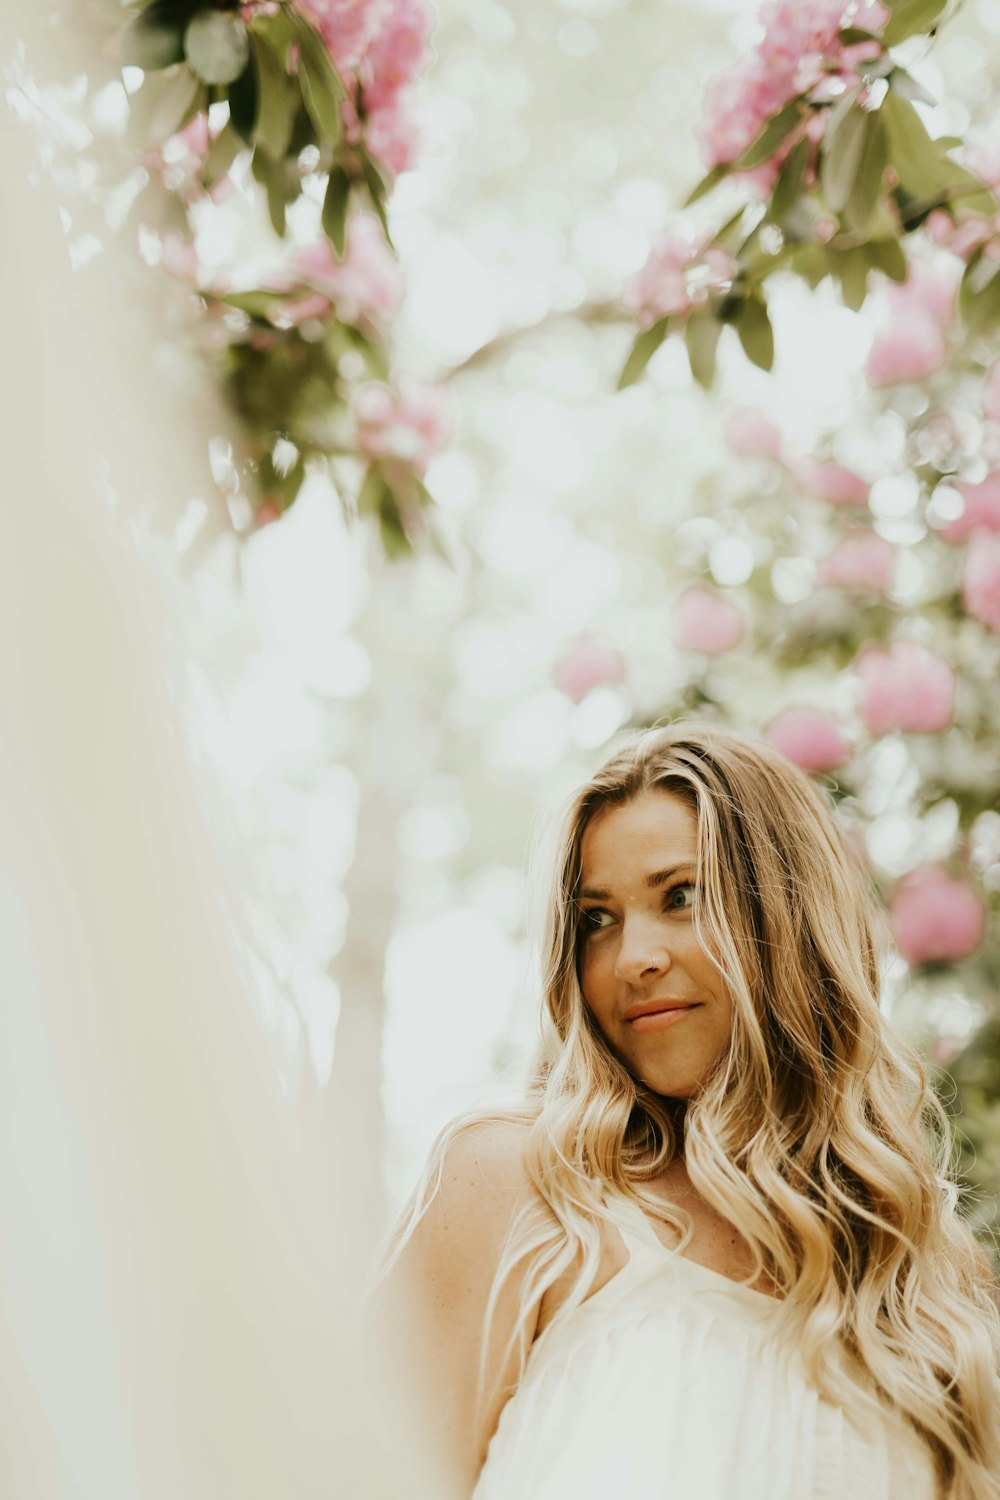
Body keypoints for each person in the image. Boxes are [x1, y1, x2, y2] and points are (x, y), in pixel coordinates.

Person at [368, 722, 1000, 1500]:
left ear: (788, 921)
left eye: (682, 896)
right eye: (597, 918)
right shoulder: (516, 1190)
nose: (633, 958)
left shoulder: (927, 1285)